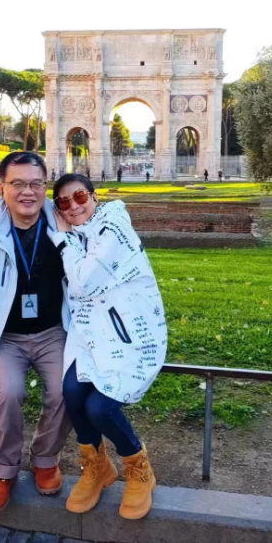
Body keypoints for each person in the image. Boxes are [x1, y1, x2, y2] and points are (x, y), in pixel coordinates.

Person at [0, 152, 72, 516]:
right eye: (18, 183)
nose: (28, 192)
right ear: (1, 187)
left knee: (67, 390)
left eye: (36, 183)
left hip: (54, 332)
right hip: (7, 337)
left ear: (45, 187)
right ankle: (2, 471)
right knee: (6, 393)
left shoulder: (64, 224)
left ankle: (45, 459)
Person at [52, 174, 167, 520]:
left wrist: (62, 239)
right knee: (72, 392)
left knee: (100, 408)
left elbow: (84, 282)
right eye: (63, 202)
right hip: (90, 334)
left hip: (131, 335)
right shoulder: (79, 233)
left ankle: (138, 466)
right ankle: (97, 466)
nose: (74, 206)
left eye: (79, 196)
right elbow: (18, 200)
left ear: (95, 196)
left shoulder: (112, 226)